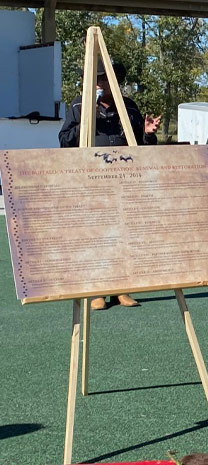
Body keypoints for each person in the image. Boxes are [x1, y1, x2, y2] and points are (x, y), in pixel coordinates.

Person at [59, 59, 160, 310]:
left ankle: (121, 290)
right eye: (99, 79)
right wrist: (87, 117)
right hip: (92, 181)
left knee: (123, 236)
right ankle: (97, 291)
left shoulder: (129, 107)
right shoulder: (80, 104)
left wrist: (148, 134)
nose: (102, 83)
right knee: (96, 236)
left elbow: (143, 149)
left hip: (125, 182)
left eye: (106, 79)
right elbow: (64, 140)